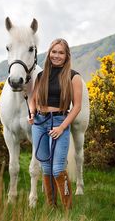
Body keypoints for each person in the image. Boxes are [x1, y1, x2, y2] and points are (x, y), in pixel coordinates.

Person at [28, 38, 82, 210]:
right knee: (46, 166)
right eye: (54, 52)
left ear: (66, 56)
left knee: (58, 168)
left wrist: (62, 127)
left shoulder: (73, 77)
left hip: (59, 122)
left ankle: (68, 209)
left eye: (61, 53)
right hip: (39, 123)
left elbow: (77, 106)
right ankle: (51, 206)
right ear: (49, 53)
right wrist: (31, 112)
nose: (56, 56)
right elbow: (33, 100)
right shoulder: (41, 76)